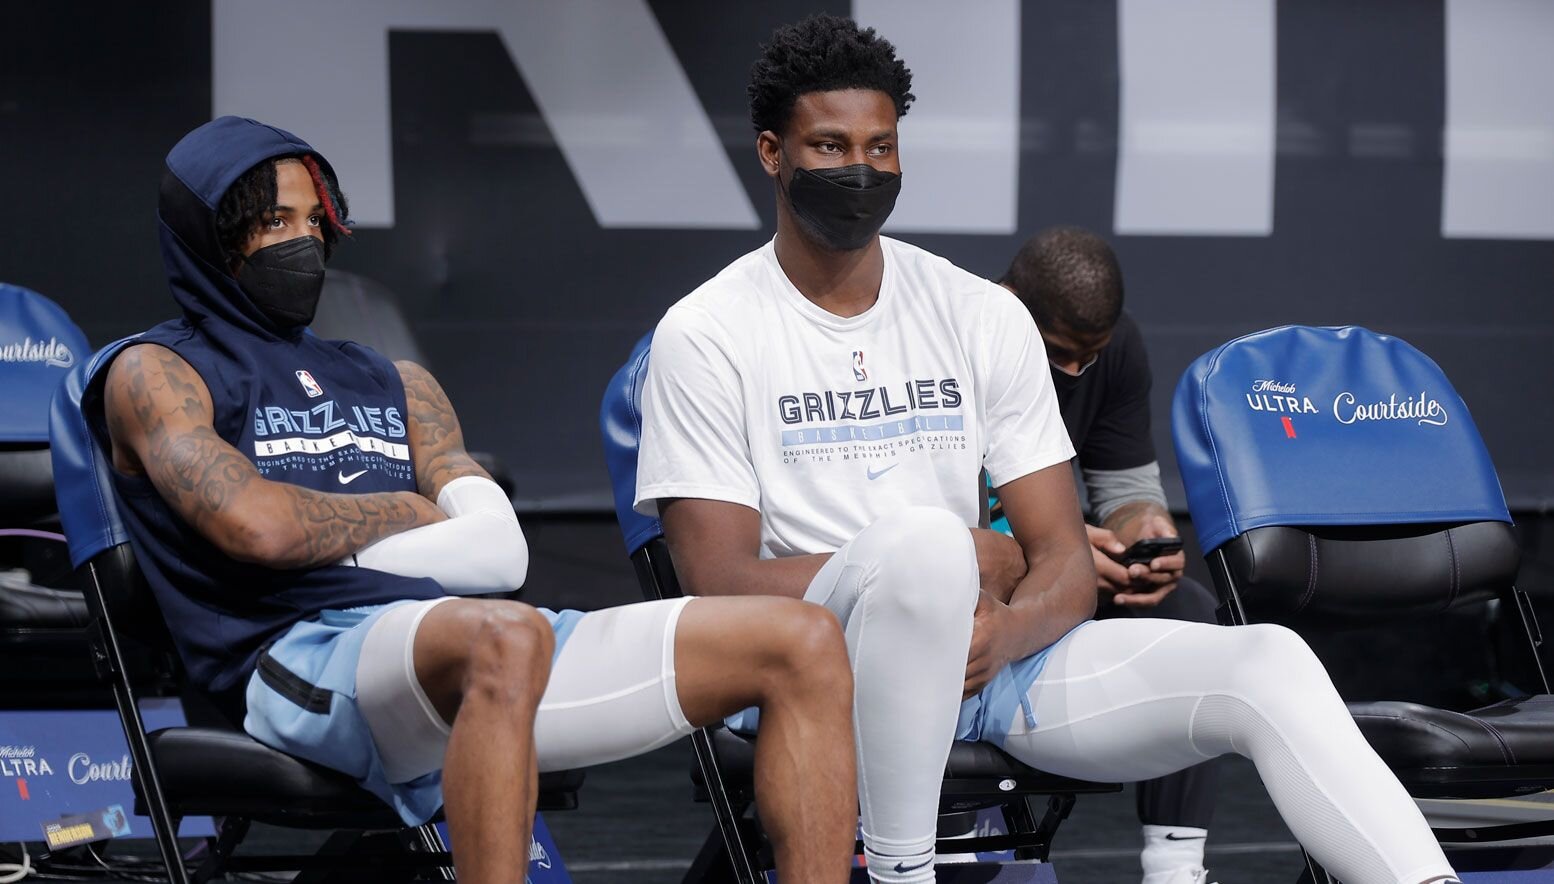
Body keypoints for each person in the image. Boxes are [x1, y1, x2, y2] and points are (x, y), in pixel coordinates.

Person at [635, 15, 1460, 884]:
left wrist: (1008, 628)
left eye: (882, 148)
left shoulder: (976, 313)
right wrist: (937, 574)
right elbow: (719, 584)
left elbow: (1062, 555)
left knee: (1270, 660)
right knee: (923, 552)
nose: (862, 171)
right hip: (821, 679)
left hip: (995, 667)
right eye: (832, 146)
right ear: (773, 154)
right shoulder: (708, 333)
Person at [97, 116, 857, 884]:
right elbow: (255, 528)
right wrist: (418, 516)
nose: (304, 242)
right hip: (301, 657)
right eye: (271, 222)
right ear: (208, 238)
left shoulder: (395, 381)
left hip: (468, 646)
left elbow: (499, 550)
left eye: (312, 219)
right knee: (502, 635)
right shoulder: (156, 373)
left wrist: (331, 529)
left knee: (803, 638)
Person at [994, 226, 1223, 882]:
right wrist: (1037, 553)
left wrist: (1142, 528)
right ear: (1009, 302)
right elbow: (922, 509)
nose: (1076, 371)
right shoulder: (961, 339)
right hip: (971, 576)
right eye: (1061, 353)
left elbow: (1122, 485)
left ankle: (1175, 866)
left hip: (1063, 570)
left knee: (1189, 614)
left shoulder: (1116, 348)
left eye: (1090, 356)